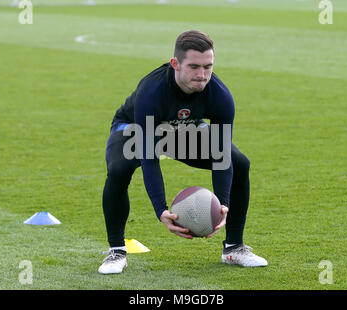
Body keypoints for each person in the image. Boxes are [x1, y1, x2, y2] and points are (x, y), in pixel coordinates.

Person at [99, 30, 268, 274]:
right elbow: (149, 156)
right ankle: (116, 251)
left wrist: (223, 206)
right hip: (136, 129)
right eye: (194, 67)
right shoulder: (152, 90)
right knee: (119, 169)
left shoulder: (220, 95)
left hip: (183, 131)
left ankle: (234, 248)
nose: (202, 75)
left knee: (239, 162)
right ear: (175, 64)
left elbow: (222, 156)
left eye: (208, 67)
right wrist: (161, 210)